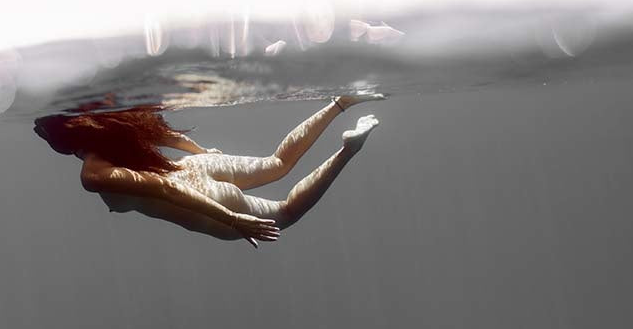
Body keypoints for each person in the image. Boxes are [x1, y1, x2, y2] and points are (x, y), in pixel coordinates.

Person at [33, 95, 383, 247]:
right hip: (195, 168)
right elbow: (162, 135)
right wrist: (201, 153)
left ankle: (348, 149)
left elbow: (166, 191)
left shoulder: (93, 174)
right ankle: (340, 103)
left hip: (204, 199)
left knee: (286, 213)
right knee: (278, 163)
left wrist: (232, 218)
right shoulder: (113, 127)